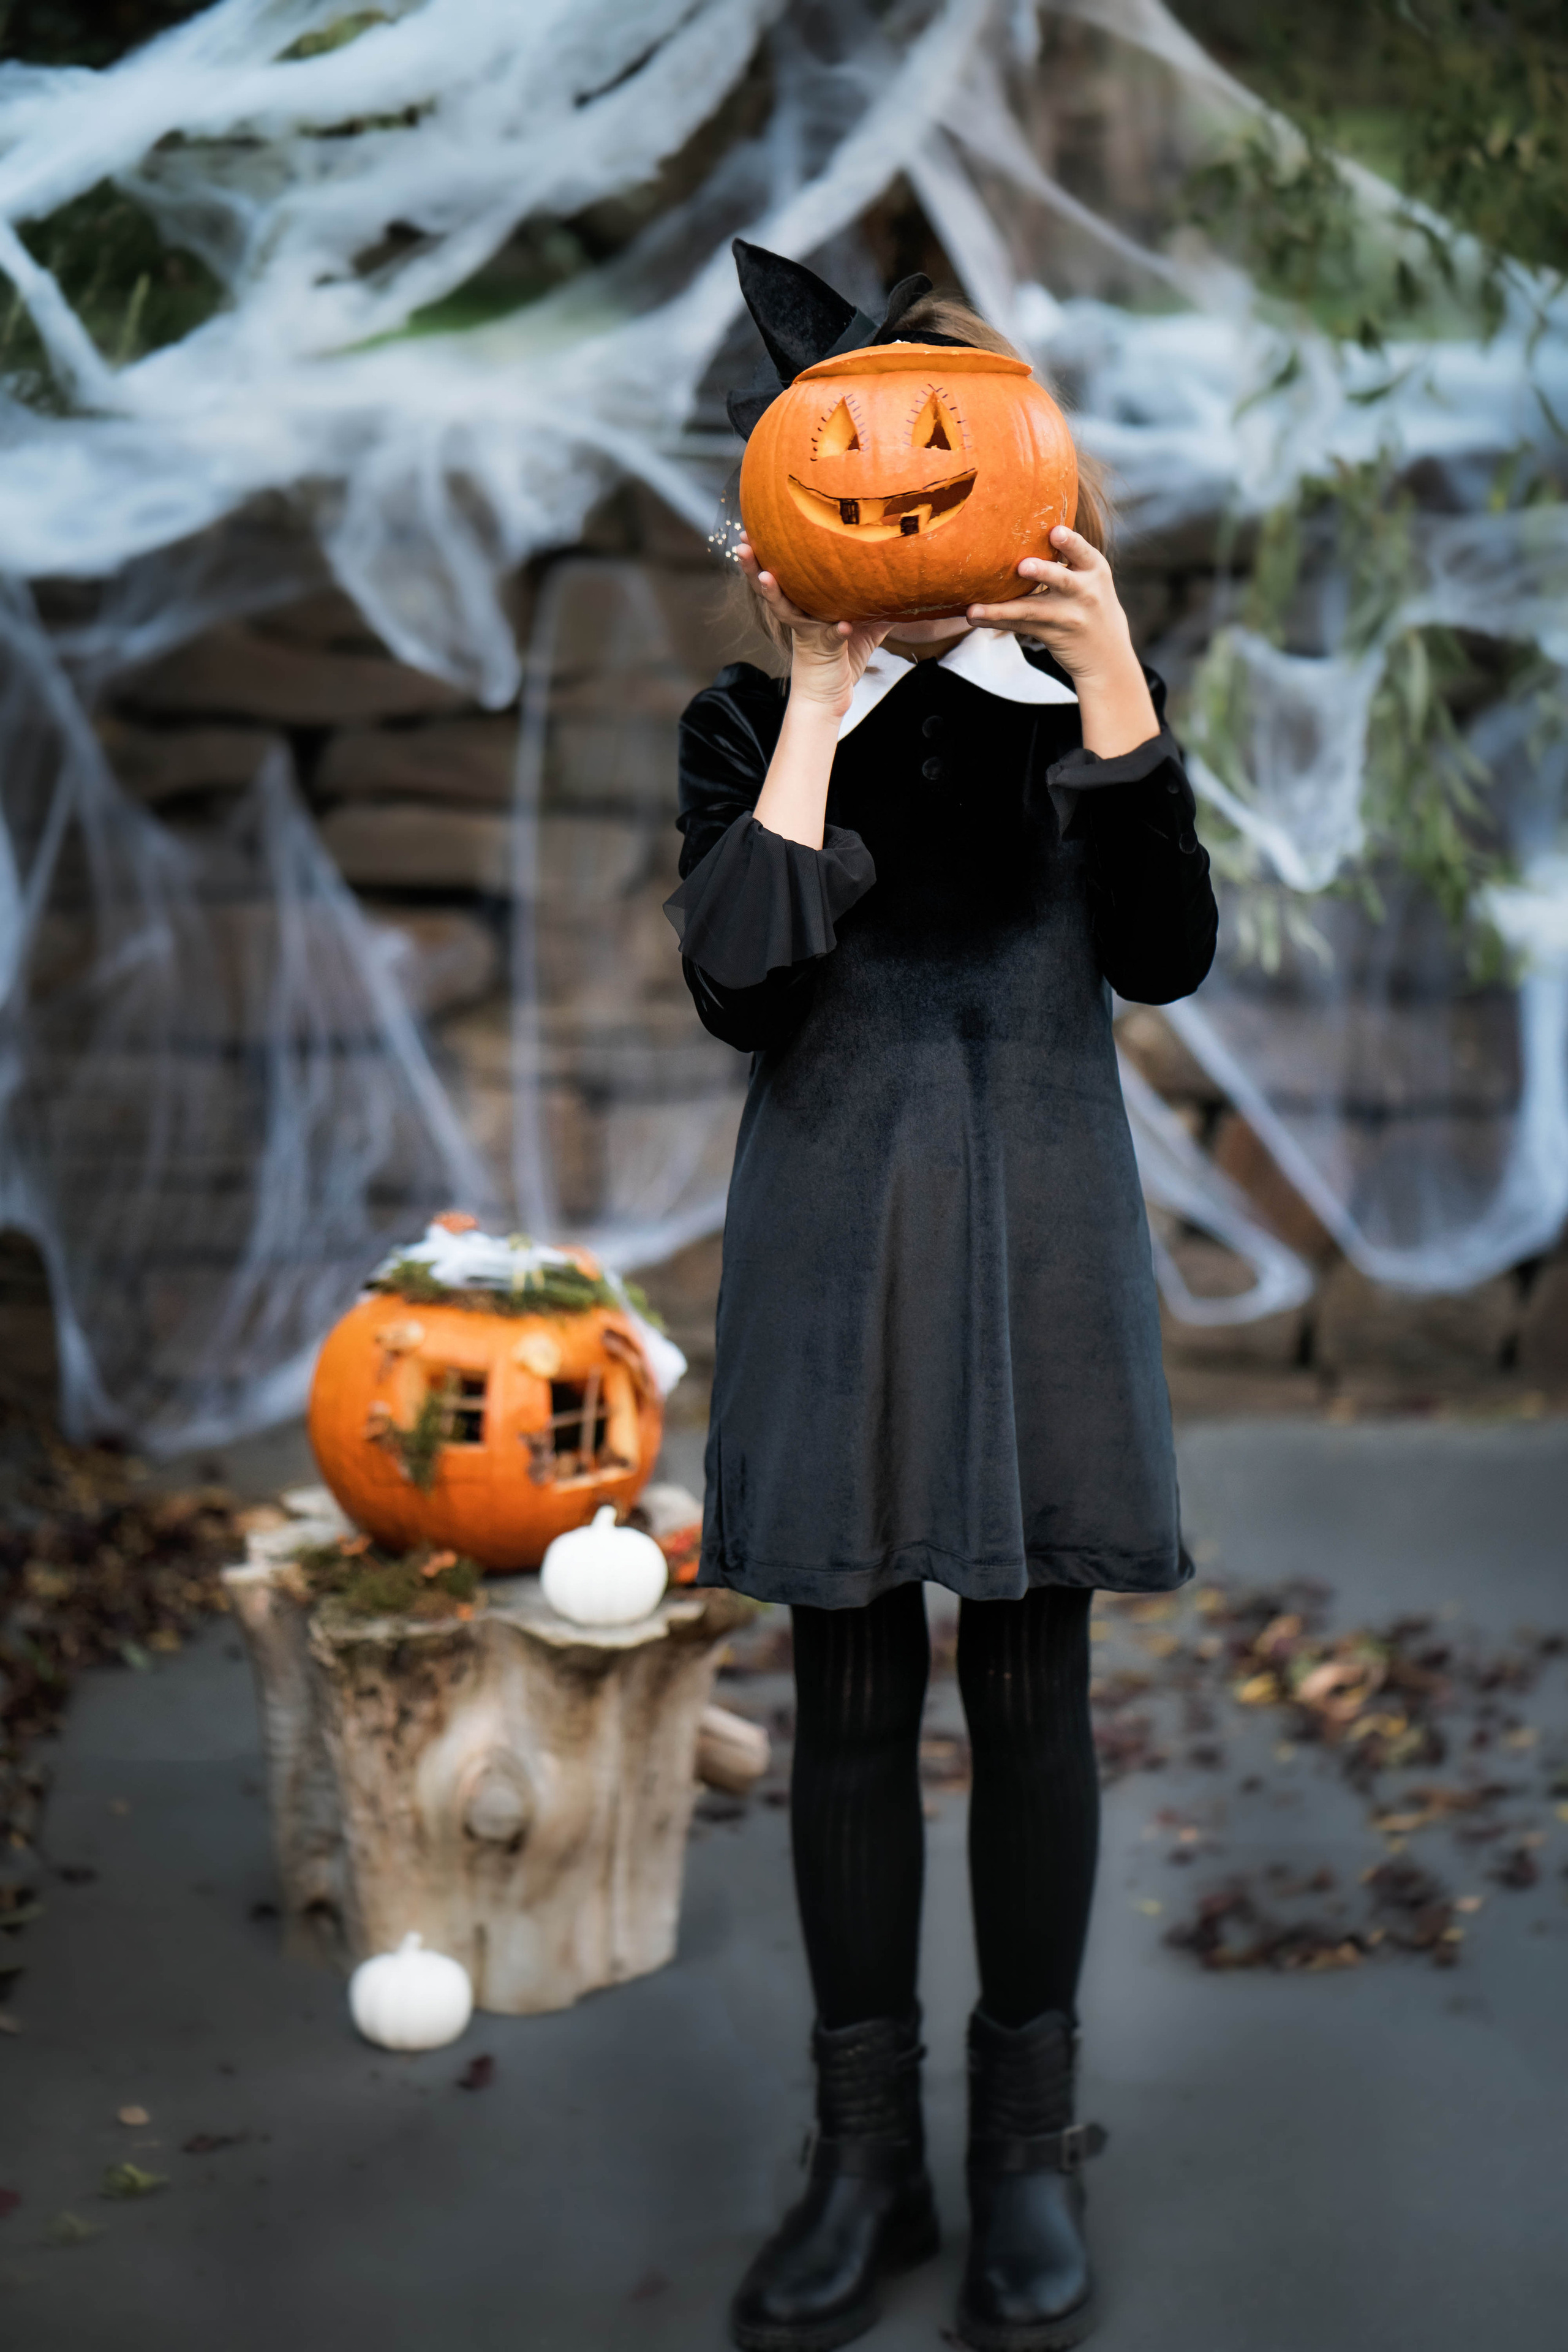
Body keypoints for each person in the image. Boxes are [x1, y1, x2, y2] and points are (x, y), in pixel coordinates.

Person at [663, 241, 1218, 2352]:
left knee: (1037, 1680)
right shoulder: (742, 721)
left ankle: (1022, 2156)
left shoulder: (1081, 722)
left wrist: (1118, 680)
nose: (900, 491)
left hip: (1040, 1224)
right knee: (855, 1693)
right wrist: (814, 704)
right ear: (784, 503)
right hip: (836, 1222)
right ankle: (864, 2157)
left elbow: (1163, 955)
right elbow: (744, 979)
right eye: (853, 464)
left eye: (943, 452)